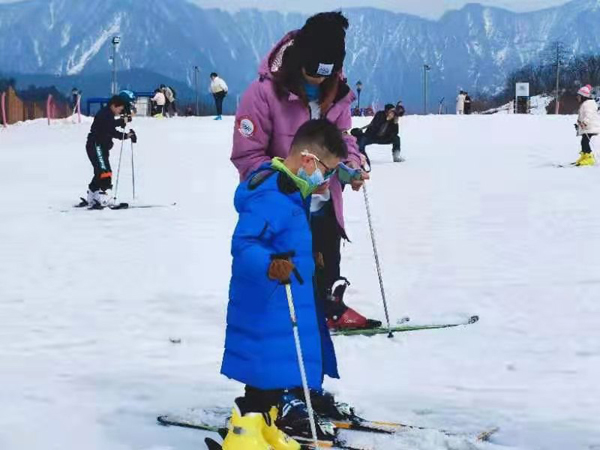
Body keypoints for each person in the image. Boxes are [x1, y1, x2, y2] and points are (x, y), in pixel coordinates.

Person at [231, 11, 379, 335]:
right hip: (282, 205)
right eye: (312, 71)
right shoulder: (263, 95)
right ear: (298, 58)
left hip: (323, 200)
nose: (317, 80)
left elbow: (342, 139)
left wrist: (349, 167)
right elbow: (247, 155)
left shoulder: (336, 95)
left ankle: (329, 308)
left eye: (326, 74)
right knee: (286, 262)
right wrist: (288, 180)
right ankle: (280, 316)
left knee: (326, 257)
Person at [221, 119, 346, 450]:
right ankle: (244, 435)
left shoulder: (290, 191)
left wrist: (308, 255)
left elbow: (284, 237)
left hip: (283, 299)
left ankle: (263, 426)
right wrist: (270, 265)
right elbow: (244, 244)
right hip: (267, 305)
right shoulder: (272, 196)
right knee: (264, 374)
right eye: (327, 170)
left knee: (277, 375)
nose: (327, 179)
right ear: (308, 160)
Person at [82, 95, 135, 208]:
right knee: (105, 171)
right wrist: (126, 135)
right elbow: (111, 130)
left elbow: (110, 125)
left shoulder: (107, 113)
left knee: (100, 171)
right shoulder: (105, 115)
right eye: (119, 109)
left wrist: (122, 122)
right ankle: (102, 197)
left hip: (97, 146)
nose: (120, 111)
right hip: (97, 146)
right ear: (113, 106)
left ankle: (92, 196)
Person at [574, 84, 600, 166]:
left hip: (591, 127)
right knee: (584, 142)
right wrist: (579, 124)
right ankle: (585, 156)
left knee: (585, 142)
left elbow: (589, 115)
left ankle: (589, 158)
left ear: (583, 96)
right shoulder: (586, 104)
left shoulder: (588, 104)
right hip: (588, 127)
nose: (577, 98)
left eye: (579, 96)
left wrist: (584, 123)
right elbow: (583, 116)